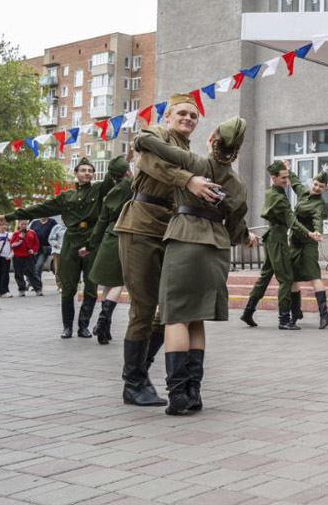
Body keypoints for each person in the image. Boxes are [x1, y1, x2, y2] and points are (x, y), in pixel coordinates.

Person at [133, 117, 256, 415]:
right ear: (237, 150)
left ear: (212, 138)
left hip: (185, 241)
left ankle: (177, 395)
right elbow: (237, 225)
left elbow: (146, 142)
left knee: (176, 317)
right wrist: (246, 238)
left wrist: (145, 138)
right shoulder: (238, 183)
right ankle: (194, 391)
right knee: (197, 318)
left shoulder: (193, 163)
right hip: (216, 249)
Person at [115, 93, 217, 407]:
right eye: (182, 113)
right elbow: (150, 163)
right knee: (143, 309)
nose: (188, 118)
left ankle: (141, 372)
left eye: (194, 115)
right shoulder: (154, 137)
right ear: (168, 116)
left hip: (170, 231)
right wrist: (188, 180)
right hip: (140, 227)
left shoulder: (187, 150)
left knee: (169, 311)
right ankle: (133, 384)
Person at [0, 155, 127, 338]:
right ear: (76, 173)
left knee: (90, 286)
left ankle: (83, 326)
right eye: (83, 170)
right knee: (68, 286)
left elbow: (112, 174)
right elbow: (39, 209)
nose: (87, 173)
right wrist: (9, 217)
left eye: (90, 171)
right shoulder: (66, 196)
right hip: (71, 241)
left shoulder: (98, 190)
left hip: (92, 241)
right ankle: (67, 326)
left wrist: (125, 158)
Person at [240, 161, 317, 330]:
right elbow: (292, 221)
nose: (286, 180)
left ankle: (248, 312)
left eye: (287, 177)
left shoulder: (273, 191)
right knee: (287, 278)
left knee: (266, 275)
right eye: (283, 178)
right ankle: (284, 319)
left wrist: (288, 169)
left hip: (272, 237)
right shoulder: (278, 197)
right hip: (278, 239)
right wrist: (309, 233)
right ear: (273, 178)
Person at [82, 149, 134, 345]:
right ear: (127, 172)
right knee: (118, 280)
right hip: (126, 233)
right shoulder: (133, 184)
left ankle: (105, 327)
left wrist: (90, 244)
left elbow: (102, 221)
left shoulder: (112, 192)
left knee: (107, 282)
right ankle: (103, 322)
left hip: (108, 236)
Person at [289, 171, 328, 329]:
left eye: (321, 186)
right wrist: (289, 169)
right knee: (293, 277)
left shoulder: (319, 204)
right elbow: (295, 183)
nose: (317, 188)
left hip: (309, 241)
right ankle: (295, 313)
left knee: (314, 276)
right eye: (316, 184)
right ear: (312, 182)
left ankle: (324, 315)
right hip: (294, 241)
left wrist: (318, 232)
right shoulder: (303, 193)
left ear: (325, 188)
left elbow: (317, 219)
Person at [10, 220, 43, 297]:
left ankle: (38, 289)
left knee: (32, 273)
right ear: (19, 225)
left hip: (29, 256)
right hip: (18, 256)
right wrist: (19, 238)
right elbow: (12, 245)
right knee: (18, 273)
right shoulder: (16, 234)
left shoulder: (32, 233)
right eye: (22, 224)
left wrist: (33, 250)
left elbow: (36, 244)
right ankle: (21, 289)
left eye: (25, 224)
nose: (24, 225)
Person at [28, 217, 58, 282]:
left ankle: (36, 283)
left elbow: (57, 232)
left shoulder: (52, 222)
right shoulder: (34, 222)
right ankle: (31, 283)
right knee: (31, 267)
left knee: (38, 266)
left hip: (44, 249)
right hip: (34, 249)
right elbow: (28, 232)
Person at [49, 222, 66, 292]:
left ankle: (68, 285)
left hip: (69, 250)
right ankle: (60, 286)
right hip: (58, 251)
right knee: (58, 269)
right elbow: (51, 239)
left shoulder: (72, 226)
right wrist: (57, 245)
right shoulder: (57, 227)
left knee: (69, 269)